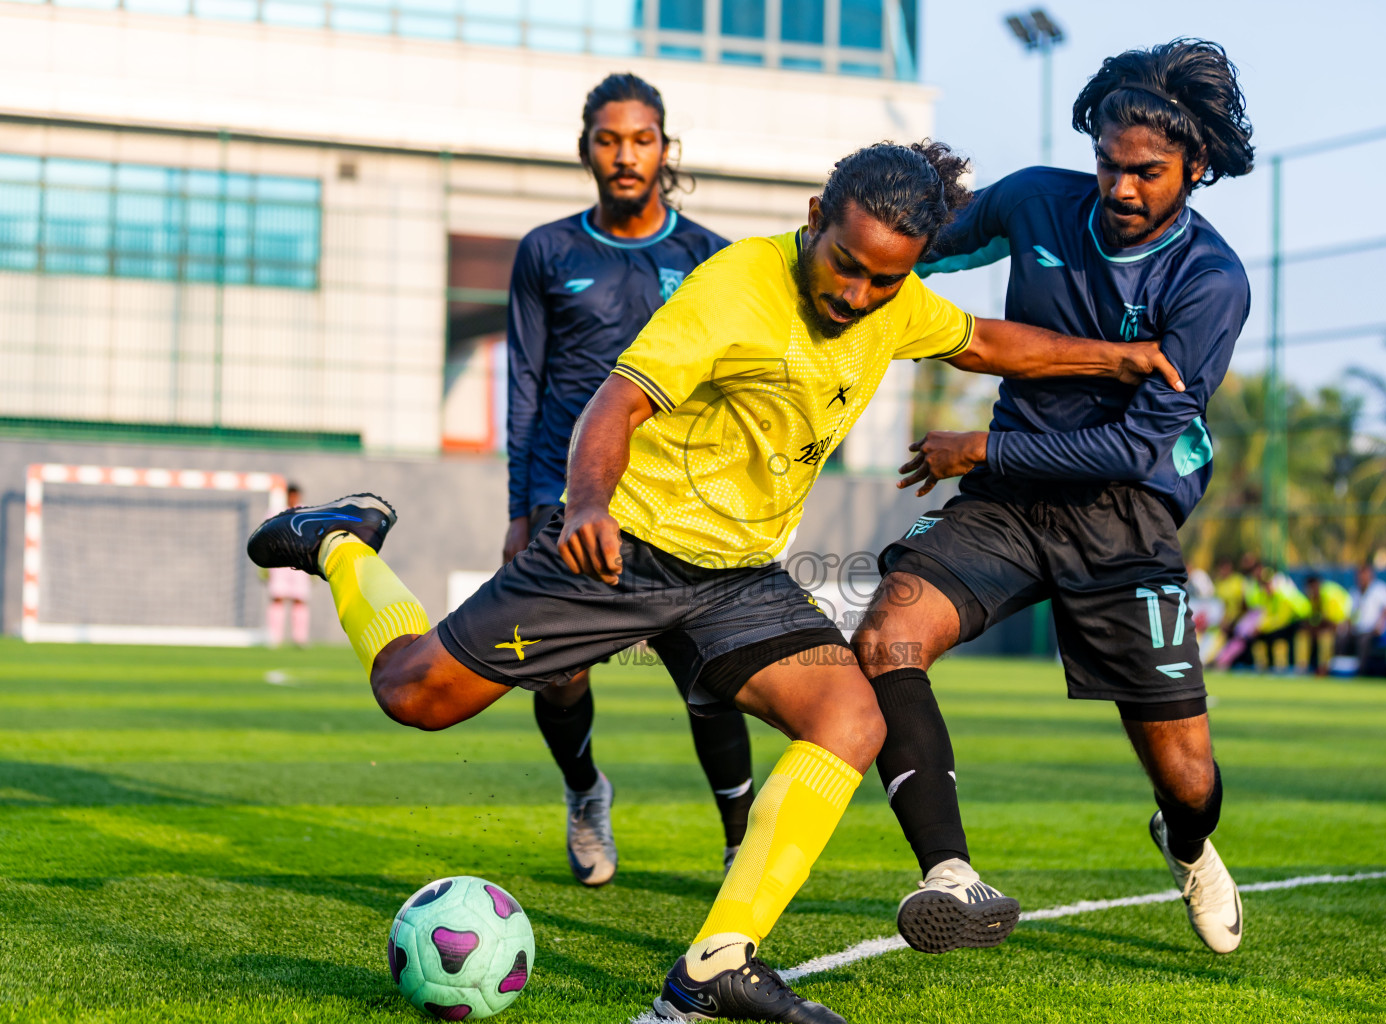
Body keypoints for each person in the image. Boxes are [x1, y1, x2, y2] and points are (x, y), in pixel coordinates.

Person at [247, 140, 1183, 1023]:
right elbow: (617, 399)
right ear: (816, 217)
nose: (858, 294)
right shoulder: (735, 288)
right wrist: (584, 505)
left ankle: (717, 963)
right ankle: (342, 542)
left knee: (850, 718)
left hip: (738, 575)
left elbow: (979, 340)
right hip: (627, 550)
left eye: (884, 278)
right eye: (846, 265)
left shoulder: (894, 301)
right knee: (414, 695)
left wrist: (1120, 358)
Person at [851, 39, 1254, 957]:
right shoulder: (1036, 199)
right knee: (885, 638)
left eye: (1146, 172)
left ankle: (1185, 845)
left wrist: (983, 444)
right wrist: (841, 248)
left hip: (1126, 517)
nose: (1118, 187)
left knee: (1189, 780)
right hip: (1007, 502)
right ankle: (949, 878)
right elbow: (913, 253)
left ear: (1197, 168)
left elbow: (1136, 444)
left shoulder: (1209, 283)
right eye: (1108, 164)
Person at [503, 73, 750, 887]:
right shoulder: (547, 251)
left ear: (664, 148)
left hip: (678, 501)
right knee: (557, 671)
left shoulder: (705, 254)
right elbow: (526, 389)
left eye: (641, 139)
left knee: (709, 673)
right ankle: (584, 793)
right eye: (608, 140)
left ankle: (739, 840)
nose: (625, 156)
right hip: (566, 497)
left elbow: (725, 387)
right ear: (586, 150)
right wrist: (522, 509)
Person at [265, 484, 311, 647]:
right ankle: (274, 638)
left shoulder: (305, 512)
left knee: (299, 599)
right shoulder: (275, 512)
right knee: (277, 597)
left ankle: (300, 639)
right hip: (280, 561)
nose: (293, 499)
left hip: (299, 560)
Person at [1342, 563, 1386, 676]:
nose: (1362, 578)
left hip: (1373, 631)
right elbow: (1349, 614)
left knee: (1364, 641)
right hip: (1357, 630)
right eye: (1359, 575)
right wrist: (1347, 626)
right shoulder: (1354, 592)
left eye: (1364, 574)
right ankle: (1339, 670)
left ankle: (1360, 672)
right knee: (1340, 638)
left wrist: (1381, 621)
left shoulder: (1379, 589)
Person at [1299, 574, 1352, 676]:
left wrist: (1318, 630)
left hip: (1345, 626)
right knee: (1302, 635)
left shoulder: (1330, 595)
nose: (1311, 592)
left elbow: (1334, 624)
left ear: (1318, 585)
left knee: (1325, 637)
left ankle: (1324, 669)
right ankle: (1302, 669)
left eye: (1313, 588)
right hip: (1323, 628)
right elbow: (1308, 621)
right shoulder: (1310, 598)